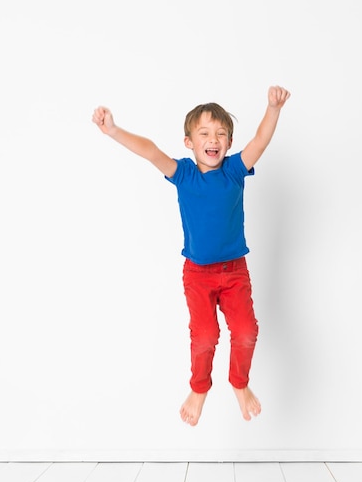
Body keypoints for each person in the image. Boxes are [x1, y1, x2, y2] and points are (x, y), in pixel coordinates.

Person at [92, 85, 290, 426]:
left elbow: (259, 142)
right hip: (198, 274)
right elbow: (152, 151)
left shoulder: (233, 171)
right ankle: (199, 389)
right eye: (204, 134)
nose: (213, 139)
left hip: (234, 272)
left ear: (228, 143)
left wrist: (273, 108)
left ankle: (239, 384)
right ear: (189, 142)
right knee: (205, 336)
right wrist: (113, 130)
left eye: (221, 134)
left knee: (246, 331)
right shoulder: (183, 174)